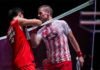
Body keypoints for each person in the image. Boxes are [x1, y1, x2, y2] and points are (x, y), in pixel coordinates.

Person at [32, 5, 84, 70]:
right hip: (51, 64)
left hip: (64, 62)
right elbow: (34, 45)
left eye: (40, 13)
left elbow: (72, 39)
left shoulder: (62, 23)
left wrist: (80, 55)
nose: (38, 15)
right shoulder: (41, 31)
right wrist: (34, 29)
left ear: (48, 13)